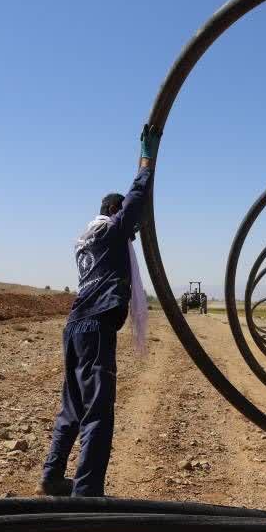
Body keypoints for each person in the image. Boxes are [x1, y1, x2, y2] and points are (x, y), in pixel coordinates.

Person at [40, 124, 161, 498]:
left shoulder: (89, 239)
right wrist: (146, 157)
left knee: (72, 407)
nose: (135, 230)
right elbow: (137, 195)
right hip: (94, 329)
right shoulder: (110, 231)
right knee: (98, 411)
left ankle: (52, 476)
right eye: (130, 221)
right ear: (114, 210)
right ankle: (87, 492)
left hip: (76, 327)